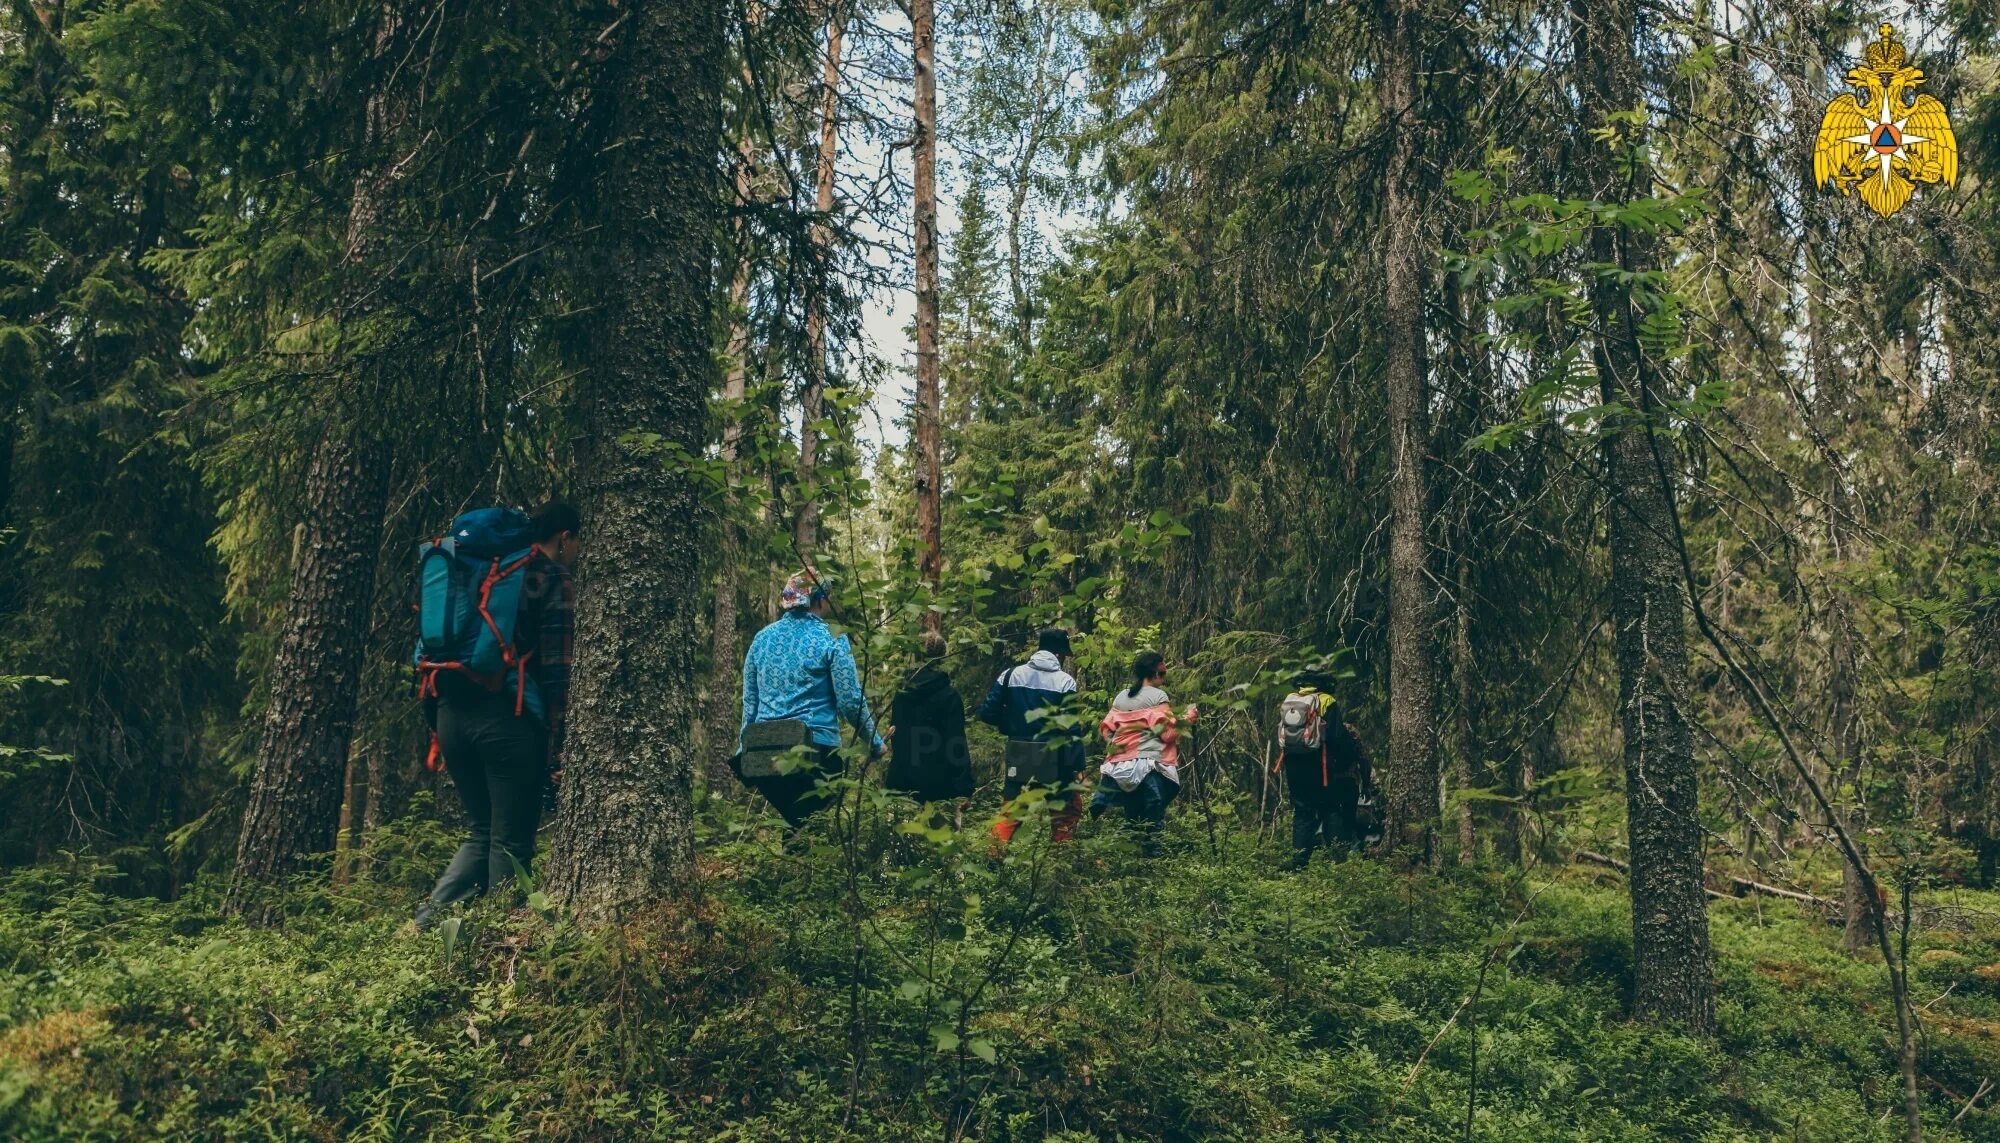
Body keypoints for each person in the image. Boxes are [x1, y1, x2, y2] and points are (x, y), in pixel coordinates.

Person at [414, 502, 577, 932]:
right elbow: (559, 670)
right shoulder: (548, 575)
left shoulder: (472, 571)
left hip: (450, 714)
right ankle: (498, 939)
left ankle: (426, 926)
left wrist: (436, 726)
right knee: (509, 841)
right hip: (507, 721)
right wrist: (560, 747)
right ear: (564, 538)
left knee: (482, 830)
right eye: (577, 544)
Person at [736, 568, 884, 827]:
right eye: (827, 597)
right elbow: (849, 701)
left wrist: (743, 752)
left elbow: (750, 705)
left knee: (796, 827)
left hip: (765, 756)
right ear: (818, 600)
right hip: (816, 752)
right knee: (813, 828)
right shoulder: (832, 637)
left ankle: (789, 865)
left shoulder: (761, 639)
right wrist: (874, 742)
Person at [978, 628, 1083, 845]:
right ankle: (1058, 862)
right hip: (1056, 758)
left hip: (1019, 753)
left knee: (1011, 812)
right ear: (1058, 654)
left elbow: (987, 713)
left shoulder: (1010, 675)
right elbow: (1071, 728)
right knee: (1067, 810)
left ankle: (992, 857)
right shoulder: (1065, 682)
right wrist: (1078, 765)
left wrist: (1011, 726)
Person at [1091, 650, 1193, 857]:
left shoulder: (1122, 697)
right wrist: (1189, 718)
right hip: (1150, 766)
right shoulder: (1158, 697)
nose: (1163, 679)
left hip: (1118, 767)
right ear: (1154, 674)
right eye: (1162, 674)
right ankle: (1151, 860)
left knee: (1132, 816)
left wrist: (1121, 746)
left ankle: (1111, 856)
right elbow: (1168, 734)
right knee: (1151, 818)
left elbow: (1105, 729)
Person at [1276, 669, 1370, 869]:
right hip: (1322, 768)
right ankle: (1335, 861)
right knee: (1331, 809)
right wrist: (1347, 762)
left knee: (1302, 812)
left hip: (1293, 767)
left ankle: (1298, 863)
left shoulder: (1290, 700)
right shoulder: (1327, 701)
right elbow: (1337, 737)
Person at [886, 635, 975, 805]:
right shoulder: (949, 696)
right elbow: (956, 743)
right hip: (940, 788)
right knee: (939, 831)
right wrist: (964, 788)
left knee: (905, 831)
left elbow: (897, 738)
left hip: (902, 785)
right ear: (943, 657)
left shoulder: (902, 694)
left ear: (917, 656)